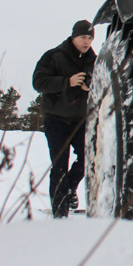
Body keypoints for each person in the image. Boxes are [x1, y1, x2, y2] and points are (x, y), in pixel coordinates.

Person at [32, 19, 96, 217]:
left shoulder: (94, 60)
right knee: (59, 164)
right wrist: (66, 81)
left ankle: (69, 188)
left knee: (88, 158)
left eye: (90, 38)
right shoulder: (53, 56)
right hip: (56, 120)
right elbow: (38, 82)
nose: (86, 42)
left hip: (81, 119)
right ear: (73, 37)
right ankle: (60, 214)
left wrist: (90, 85)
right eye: (83, 37)